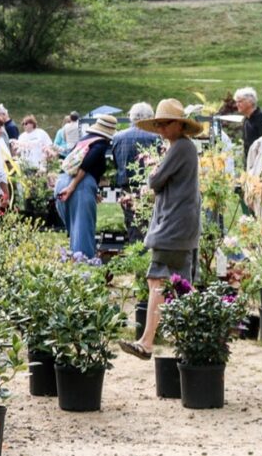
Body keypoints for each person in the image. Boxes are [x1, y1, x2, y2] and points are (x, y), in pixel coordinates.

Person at [118, 99, 202, 360]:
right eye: (159, 124)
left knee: (159, 280)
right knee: (179, 285)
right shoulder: (182, 147)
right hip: (180, 226)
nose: (162, 129)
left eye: (165, 124)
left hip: (173, 227)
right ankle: (192, 338)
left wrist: (155, 172)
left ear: (180, 125)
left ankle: (147, 342)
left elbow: (154, 181)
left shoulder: (180, 148)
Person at [54, 115, 117, 259]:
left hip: (62, 181)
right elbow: (86, 164)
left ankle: (74, 264)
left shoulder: (84, 140)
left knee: (75, 230)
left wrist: (91, 191)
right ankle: (85, 267)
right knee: (83, 231)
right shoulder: (100, 144)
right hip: (76, 186)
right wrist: (72, 187)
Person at [111, 102, 161, 242]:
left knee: (132, 225)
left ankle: (136, 255)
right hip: (150, 188)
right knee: (151, 225)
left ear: (131, 117)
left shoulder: (118, 137)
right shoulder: (155, 137)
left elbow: (117, 163)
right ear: (149, 118)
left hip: (127, 189)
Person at [235, 87, 262, 164]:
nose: (237, 104)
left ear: (250, 102)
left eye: (240, 101)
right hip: (250, 162)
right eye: (236, 102)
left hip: (261, 163)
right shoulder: (246, 119)